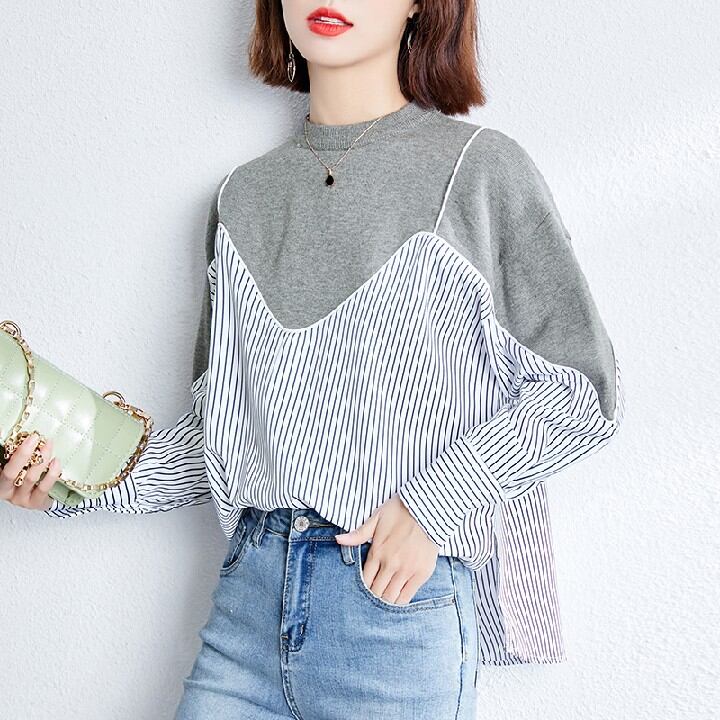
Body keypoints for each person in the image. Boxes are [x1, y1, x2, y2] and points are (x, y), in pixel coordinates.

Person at [1, 1, 626, 718]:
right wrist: (70, 478)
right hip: (246, 610)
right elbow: (221, 441)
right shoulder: (240, 198)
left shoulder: (478, 170)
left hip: (391, 618)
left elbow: (584, 392)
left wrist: (432, 506)